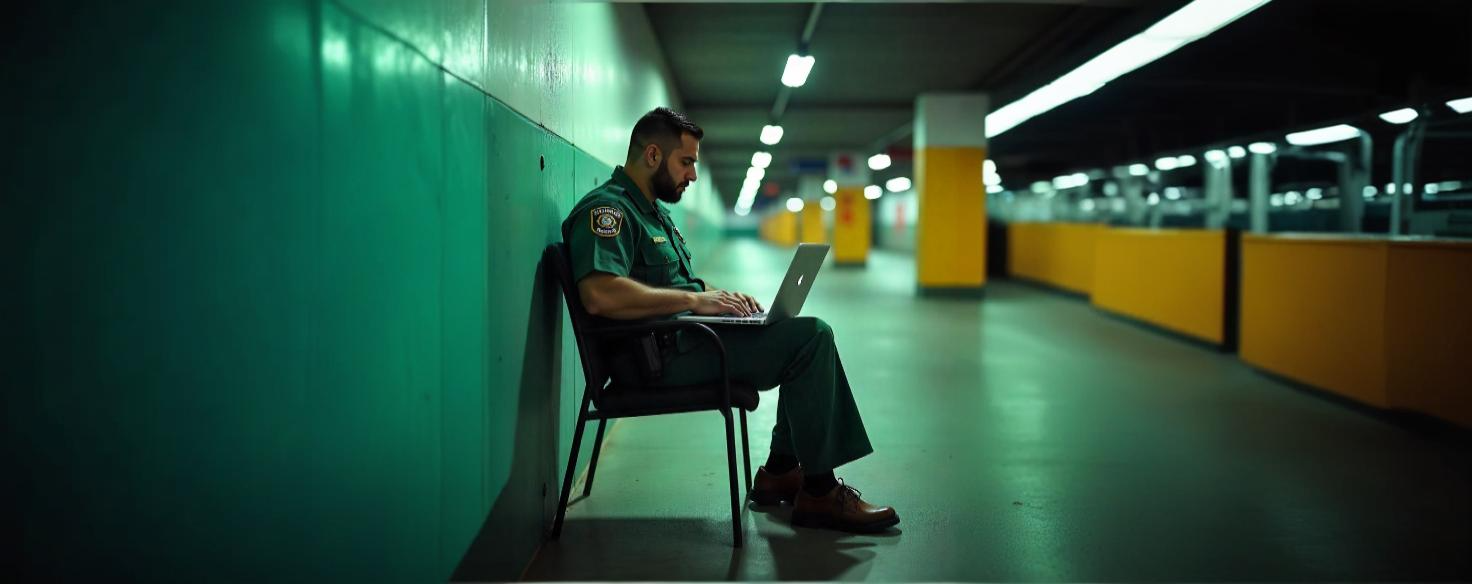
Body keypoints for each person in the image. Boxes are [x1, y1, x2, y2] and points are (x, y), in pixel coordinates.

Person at [559, 107, 898, 534]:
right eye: (686, 162)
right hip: (654, 361)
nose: (693, 175)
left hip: (680, 341)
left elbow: (668, 288)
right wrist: (695, 303)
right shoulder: (609, 210)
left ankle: (779, 472)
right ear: (651, 156)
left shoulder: (652, 211)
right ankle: (817, 492)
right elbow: (599, 293)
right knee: (811, 337)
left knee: (793, 331)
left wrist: (716, 299)